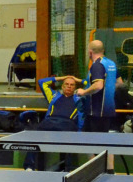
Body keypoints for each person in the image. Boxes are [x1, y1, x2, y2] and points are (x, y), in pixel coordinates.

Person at [23, 75, 84, 170]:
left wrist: (79, 80)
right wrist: (62, 78)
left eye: (72, 85)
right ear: (62, 86)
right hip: (49, 122)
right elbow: (42, 82)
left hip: (67, 124)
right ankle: (29, 167)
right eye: (66, 84)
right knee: (35, 136)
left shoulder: (79, 100)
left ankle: (68, 169)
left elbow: (81, 118)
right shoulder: (54, 96)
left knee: (71, 139)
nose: (69, 86)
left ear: (75, 88)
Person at [77, 39, 118, 169]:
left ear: (90, 52)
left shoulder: (97, 65)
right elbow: (119, 83)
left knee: (89, 142)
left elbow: (98, 85)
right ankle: (110, 170)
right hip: (109, 110)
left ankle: (94, 170)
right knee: (106, 142)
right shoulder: (111, 63)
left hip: (96, 111)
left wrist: (83, 92)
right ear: (103, 50)